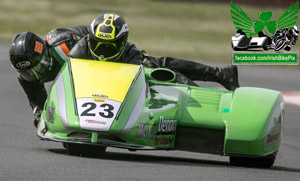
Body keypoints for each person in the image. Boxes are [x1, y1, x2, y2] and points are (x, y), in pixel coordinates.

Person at [69, 13, 240, 89]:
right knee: (159, 63)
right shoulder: (78, 53)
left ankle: (204, 87)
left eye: (109, 46)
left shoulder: (131, 56)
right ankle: (220, 73)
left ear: (122, 43)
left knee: (160, 70)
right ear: (91, 40)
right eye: (99, 44)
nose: (103, 51)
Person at [9, 25, 89, 127]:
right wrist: (41, 116)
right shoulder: (25, 76)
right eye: (26, 73)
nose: (32, 75)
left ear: (46, 55)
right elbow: (37, 101)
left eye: (36, 68)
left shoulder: (66, 48)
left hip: (91, 43)